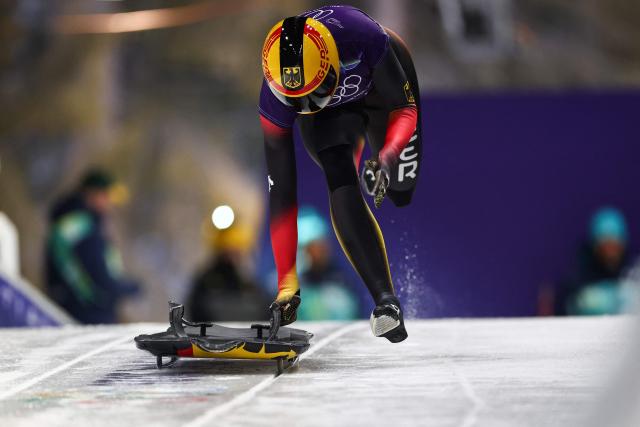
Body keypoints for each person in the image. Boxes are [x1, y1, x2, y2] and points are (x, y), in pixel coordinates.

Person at [259, 5, 422, 342]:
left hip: (381, 96)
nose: (309, 104)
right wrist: (287, 286)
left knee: (400, 190)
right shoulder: (275, 95)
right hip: (332, 122)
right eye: (298, 101)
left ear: (334, 63)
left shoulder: (361, 36)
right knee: (339, 176)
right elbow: (282, 191)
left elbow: (403, 109)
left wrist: (388, 156)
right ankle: (386, 303)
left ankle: (380, 162)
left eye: (315, 94)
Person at [45, 169, 140, 324]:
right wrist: (126, 288)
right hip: (84, 313)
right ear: (93, 194)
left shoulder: (76, 222)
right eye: (107, 196)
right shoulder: (82, 226)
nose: (110, 203)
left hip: (75, 308)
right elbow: (97, 276)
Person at [558, 207, 636, 315]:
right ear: (595, 246)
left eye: (615, 243)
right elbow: (564, 309)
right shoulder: (577, 279)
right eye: (605, 244)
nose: (611, 250)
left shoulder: (632, 274)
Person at [187, 221, 269, 322]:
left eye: (236, 251)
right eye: (229, 250)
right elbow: (194, 312)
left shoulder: (248, 285)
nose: (233, 254)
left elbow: (263, 313)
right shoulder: (206, 282)